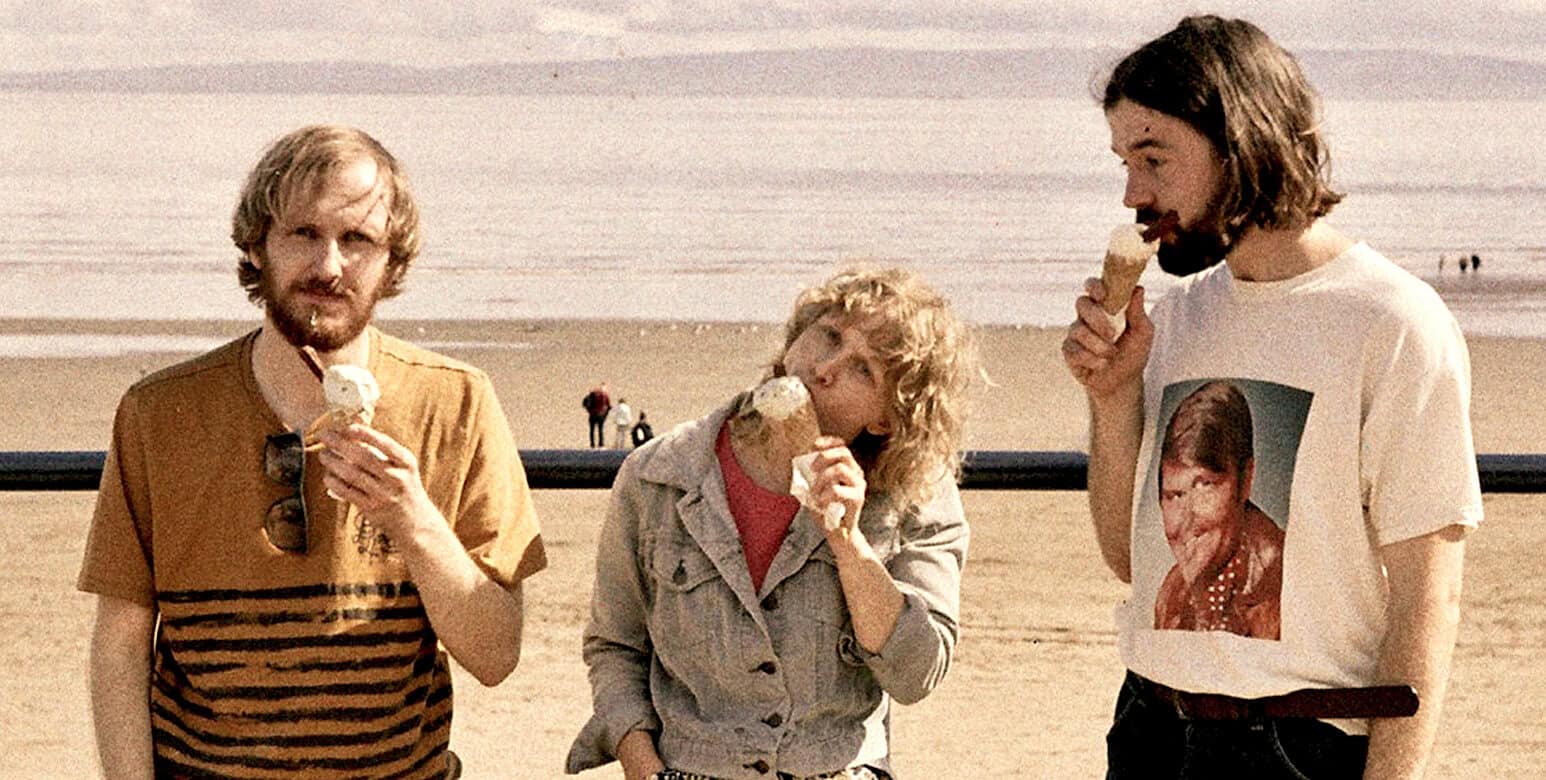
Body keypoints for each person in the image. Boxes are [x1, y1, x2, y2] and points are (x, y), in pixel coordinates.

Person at [1061, 16, 1481, 778]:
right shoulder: (1178, 317)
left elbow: (1430, 599)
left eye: (1154, 158)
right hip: (1153, 727)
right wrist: (1113, 397)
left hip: (1301, 746)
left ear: (1242, 141)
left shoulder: (1392, 323)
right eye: (1124, 161)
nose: (1133, 195)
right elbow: (1129, 559)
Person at [77, 124, 547, 778]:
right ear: (258, 245)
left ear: (393, 261)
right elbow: (122, 644)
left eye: (357, 240)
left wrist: (412, 519)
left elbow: (496, 655)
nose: (329, 266)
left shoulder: (457, 403)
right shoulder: (159, 413)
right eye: (303, 233)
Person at [566, 267, 978, 780]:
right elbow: (616, 646)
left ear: (886, 419)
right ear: (795, 338)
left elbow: (917, 673)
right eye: (828, 335)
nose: (825, 367)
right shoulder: (660, 476)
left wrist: (849, 543)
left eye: (863, 370)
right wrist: (644, 767)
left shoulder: (916, 495)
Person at [1152, 381, 1283, 640]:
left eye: (1205, 487)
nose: (1185, 522)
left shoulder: (1291, 584)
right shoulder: (1171, 594)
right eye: (1174, 496)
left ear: (1245, 481)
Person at [586, 383, 614, 448]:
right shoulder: (605, 396)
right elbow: (609, 406)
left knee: (592, 430)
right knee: (600, 429)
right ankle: (601, 444)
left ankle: (592, 444)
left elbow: (585, 404)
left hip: (592, 415)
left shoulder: (591, 395)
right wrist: (605, 414)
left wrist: (589, 411)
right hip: (600, 415)